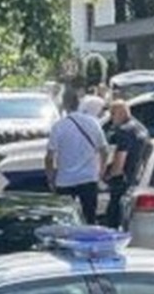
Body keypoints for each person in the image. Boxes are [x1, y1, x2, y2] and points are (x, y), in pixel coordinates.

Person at [46, 95, 108, 223]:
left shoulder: (59, 126)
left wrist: (51, 179)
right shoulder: (93, 123)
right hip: (88, 178)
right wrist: (101, 172)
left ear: (63, 106)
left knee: (64, 220)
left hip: (65, 180)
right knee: (90, 217)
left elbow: (49, 157)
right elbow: (104, 150)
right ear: (79, 104)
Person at [103, 100, 149, 228]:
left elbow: (120, 160)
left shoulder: (124, 131)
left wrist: (108, 175)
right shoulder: (142, 128)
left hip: (122, 181)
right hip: (137, 178)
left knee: (113, 217)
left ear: (121, 113)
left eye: (113, 114)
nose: (111, 118)